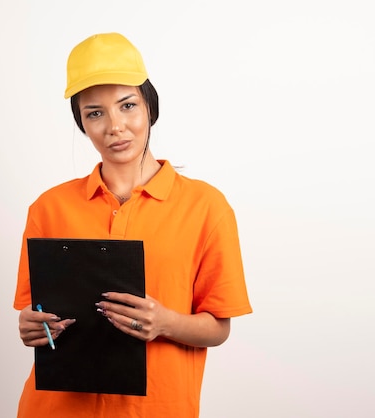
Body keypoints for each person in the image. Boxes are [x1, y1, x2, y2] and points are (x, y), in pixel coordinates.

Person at [13, 32, 252, 418]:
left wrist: (165, 322)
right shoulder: (49, 207)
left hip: (157, 408)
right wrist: (32, 327)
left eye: (127, 106)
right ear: (82, 124)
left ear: (150, 108)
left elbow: (219, 327)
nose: (115, 126)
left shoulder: (206, 207)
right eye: (95, 113)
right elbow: (34, 315)